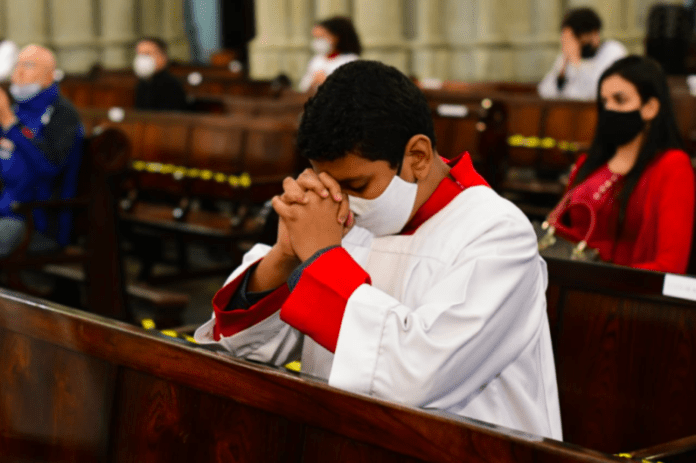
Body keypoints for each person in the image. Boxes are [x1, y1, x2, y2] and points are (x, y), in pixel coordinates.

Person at [195, 60, 563, 439]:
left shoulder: (497, 232)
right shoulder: (344, 221)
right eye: (329, 183)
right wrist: (286, 254)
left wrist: (323, 259)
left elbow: (416, 378)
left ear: (417, 156)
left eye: (357, 184)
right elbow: (250, 350)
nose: (342, 201)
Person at [552, 55, 694, 274]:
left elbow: (670, 265)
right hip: (573, 284)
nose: (609, 109)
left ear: (650, 107)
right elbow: (560, 232)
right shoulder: (589, 163)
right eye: (604, 102)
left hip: (626, 297)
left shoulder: (672, 166)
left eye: (620, 100)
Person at [0, 45, 84, 257]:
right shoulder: (17, 109)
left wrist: (11, 125)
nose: (18, 72)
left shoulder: (63, 115)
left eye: (27, 65)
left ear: (49, 75)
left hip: (36, 220)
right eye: (17, 65)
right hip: (6, 209)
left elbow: (49, 167)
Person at [538, 7, 627, 100]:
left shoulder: (613, 50)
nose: (573, 44)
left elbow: (594, 93)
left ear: (594, 34)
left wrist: (576, 63)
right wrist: (563, 70)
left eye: (575, 38)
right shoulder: (568, 56)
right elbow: (545, 92)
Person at [298, 16, 361, 93]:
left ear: (336, 37)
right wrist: (313, 82)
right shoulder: (317, 60)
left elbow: (352, 90)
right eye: (315, 38)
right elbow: (303, 88)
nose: (317, 41)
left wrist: (327, 81)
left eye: (321, 37)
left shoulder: (350, 60)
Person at [133, 37, 188, 111]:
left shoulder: (171, 85)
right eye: (139, 54)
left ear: (163, 56)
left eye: (147, 54)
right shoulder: (143, 83)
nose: (142, 59)